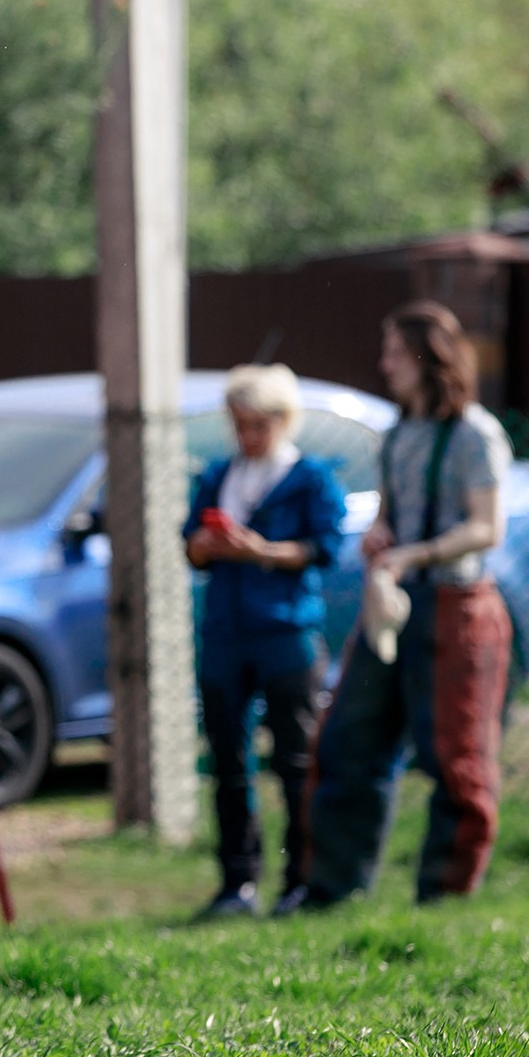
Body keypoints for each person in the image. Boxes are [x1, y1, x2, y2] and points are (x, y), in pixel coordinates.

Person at [303, 302, 514, 907]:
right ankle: (333, 889)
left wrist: (412, 554)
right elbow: (391, 517)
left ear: (428, 356)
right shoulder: (397, 436)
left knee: (456, 755)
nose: (384, 364)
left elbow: (485, 528)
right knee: (348, 740)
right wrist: (381, 535)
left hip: (458, 606)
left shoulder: (476, 433)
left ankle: (444, 895)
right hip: (394, 606)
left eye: (395, 352)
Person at [183, 365, 347, 919]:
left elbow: (324, 548)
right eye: (238, 424)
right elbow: (190, 547)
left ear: (281, 420)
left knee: (295, 761)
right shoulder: (217, 475)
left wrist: (262, 551)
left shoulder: (311, 478)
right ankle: (237, 883)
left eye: (255, 424)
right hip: (227, 632)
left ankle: (300, 880)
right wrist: (206, 545)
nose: (246, 436)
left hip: (285, 633)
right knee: (228, 761)